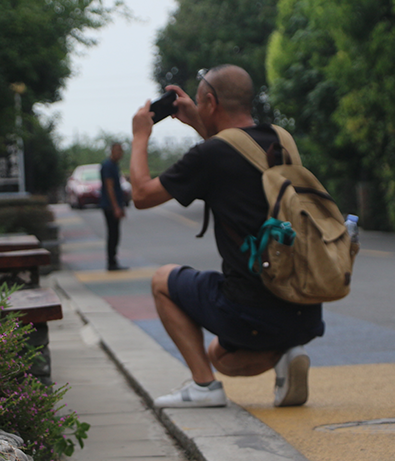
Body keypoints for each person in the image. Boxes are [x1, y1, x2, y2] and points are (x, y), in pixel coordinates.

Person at [129, 65, 324, 409]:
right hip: (304, 307)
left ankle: (205, 387)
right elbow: (235, 157)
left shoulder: (210, 156)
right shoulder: (282, 140)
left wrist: (140, 135)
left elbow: (142, 195)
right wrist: (196, 123)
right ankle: (287, 351)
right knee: (224, 354)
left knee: (163, 283)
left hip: (250, 310)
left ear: (209, 100)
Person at [100, 142, 129, 271]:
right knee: (112, 234)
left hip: (115, 205)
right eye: (118, 150)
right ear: (112, 151)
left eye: (121, 151)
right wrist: (116, 207)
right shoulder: (107, 166)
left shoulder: (115, 166)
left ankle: (113, 260)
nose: (120, 153)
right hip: (109, 206)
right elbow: (109, 187)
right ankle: (111, 262)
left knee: (116, 233)